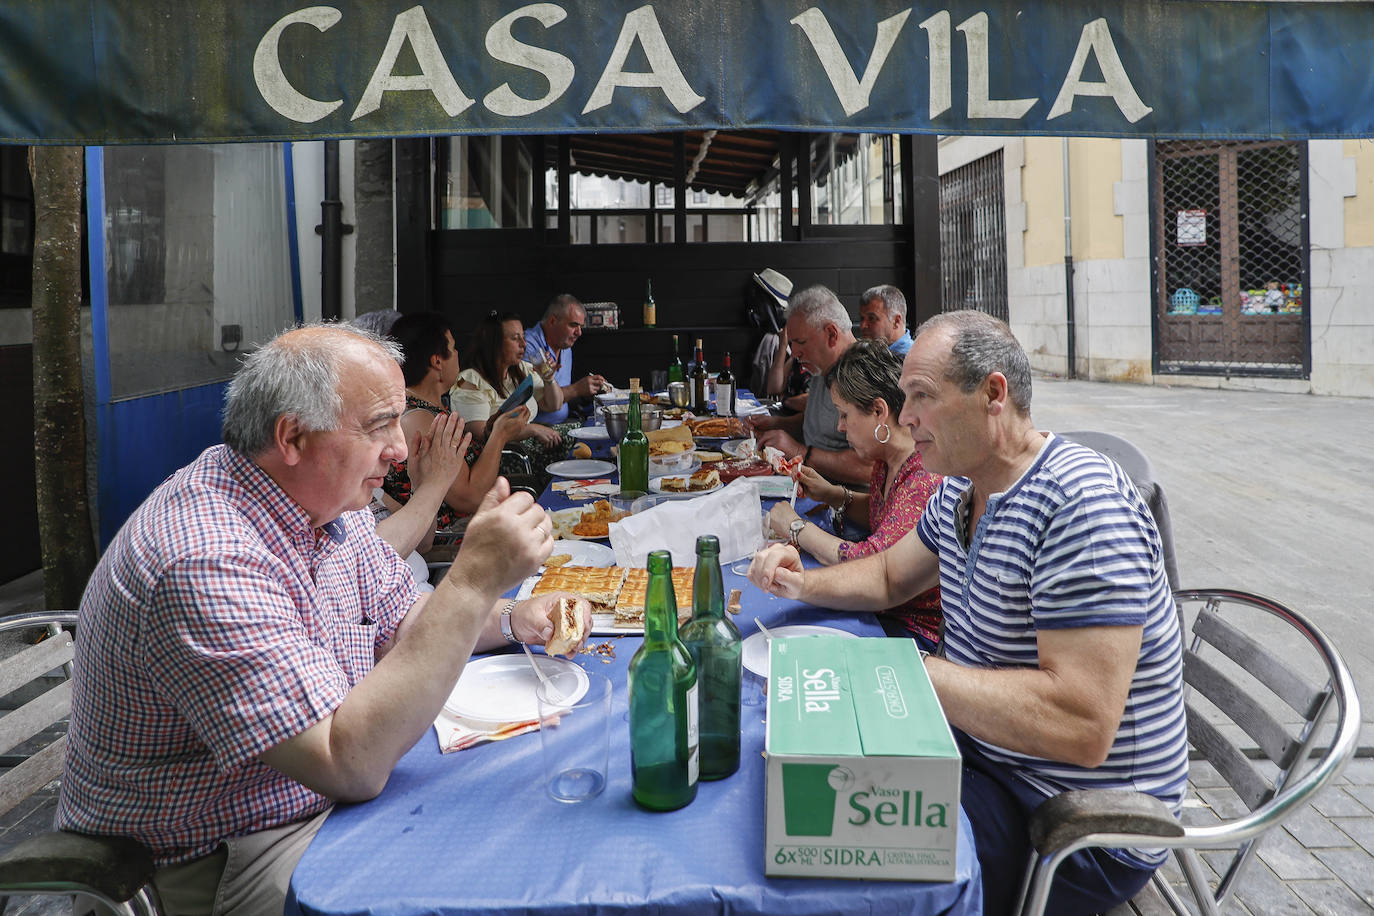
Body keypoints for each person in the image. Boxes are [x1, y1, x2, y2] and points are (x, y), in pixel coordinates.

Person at [57, 323, 589, 915]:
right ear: (291, 437)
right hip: (207, 859)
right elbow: (348, 763)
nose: (397, 449)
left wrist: (515, 616)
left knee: (525, 812)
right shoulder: (205, 557)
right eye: (378, 425)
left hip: (307, 801)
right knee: (496, 870)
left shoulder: (325, 502)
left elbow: (408, 617)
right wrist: (472, 579)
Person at [747, 310, 1189, 916]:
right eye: (903, 399)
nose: (903, 420)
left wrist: (902, 672)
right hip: (986, 756)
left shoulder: (1081, 507)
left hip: (1073, 821)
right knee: (781, 786)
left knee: (838, 873)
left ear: (993, 394)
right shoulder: (960, 485)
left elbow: (1081, 725)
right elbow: (885, 575)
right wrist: (801, 583)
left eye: (921, 398)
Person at [761, 339, 942, 651]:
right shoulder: (887, 461)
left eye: (844, 415)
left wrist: (796, 527)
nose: (840, 427)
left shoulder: (923, 478)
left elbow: (870, 566)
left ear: (878, 411)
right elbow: (888, 516)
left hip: (911, 634)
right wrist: (835, 495)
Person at [383, 311, 527, 531]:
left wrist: (491, 430)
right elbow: (469, 499)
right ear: (437, 361)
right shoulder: (421, 420)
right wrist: (499, 436)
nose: (458, 353)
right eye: (453, 348)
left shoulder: (430, 408)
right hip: (454, 540)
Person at [745, 284, 871, 485]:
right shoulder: (823, 365)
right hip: (812, 484)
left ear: (831, 334)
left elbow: (869, 467)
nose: (794, 353)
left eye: (800, 342)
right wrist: (778, 425)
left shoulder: (863, 375)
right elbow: (819, 424)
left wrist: (800, 451)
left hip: (846, 500)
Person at [452, 312, 582, 482]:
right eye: (515, 338)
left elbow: (554, 404)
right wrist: (532, 429)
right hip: (504, 456)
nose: (523, 344)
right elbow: (482, 434)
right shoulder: (471, 380)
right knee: (572, 452)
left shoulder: (520, 370)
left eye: (523, 337)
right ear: (495, 343)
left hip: (525, 445)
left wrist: (548, 378)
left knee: (577, 433)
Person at [522, 293, 608, 424]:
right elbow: (539, 402)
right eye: (573, 325)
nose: (579, 333)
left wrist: (592, 388)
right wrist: (577, 389)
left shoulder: (565, 345)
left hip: (563, 424)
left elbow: (560, 394)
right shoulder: (527, 347)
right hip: (537, 430)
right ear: (552, 321)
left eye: (580, 326)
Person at [858, 284, 913, 358]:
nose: (863, 326)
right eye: (862, 318)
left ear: (896, 321)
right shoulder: (868, 353)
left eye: (871, 318)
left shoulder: (912, 360)